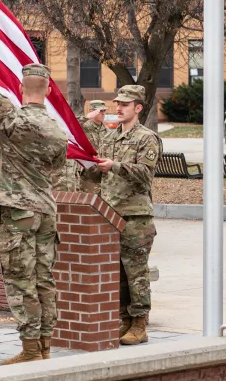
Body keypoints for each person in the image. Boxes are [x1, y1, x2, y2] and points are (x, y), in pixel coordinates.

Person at [0, 22, 67, 365]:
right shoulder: (57, 132)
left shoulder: (12, 120)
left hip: (17, 215)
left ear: (21, 88)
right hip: (46, 212)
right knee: (44, 280)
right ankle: (46, 344)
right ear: (48, 90)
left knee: (21, 283)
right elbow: (53, 171)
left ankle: (31, 349)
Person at [82, 85, 160, 346]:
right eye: (117, 103)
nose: (119, 107)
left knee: (136, 272)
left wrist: (114, 166)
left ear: (138, 108)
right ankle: (123, 319)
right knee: (118, 272)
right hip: (110, 213)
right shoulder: (110, 137)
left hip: (135, 216)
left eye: (125, 104)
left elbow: (144, 174)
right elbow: (96, 170)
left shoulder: (146, 138)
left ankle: (139, 323)